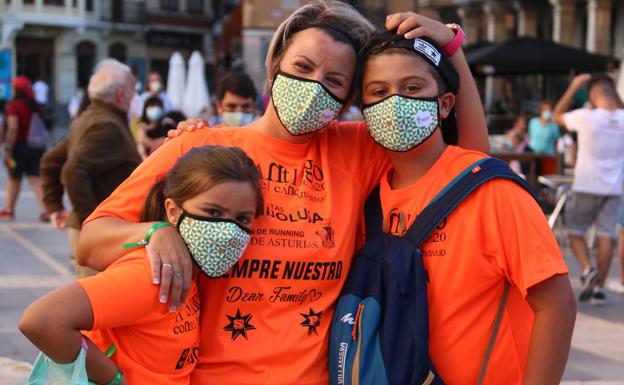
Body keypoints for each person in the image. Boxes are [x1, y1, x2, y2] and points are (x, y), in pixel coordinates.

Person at [76, 3, 489, 383]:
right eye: (303, 67)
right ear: (274, 68)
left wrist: (452, 50)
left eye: (334, 81)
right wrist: (154, 233)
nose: (313, 86)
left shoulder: (356, 148)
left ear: (347, 101)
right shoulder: (198, 146)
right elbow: (92, 242)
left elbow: (470, 164)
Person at [357, 26, 575, 385]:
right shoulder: (371, 201)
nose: (395, 103)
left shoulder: (491, 191)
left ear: (444, 104)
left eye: (412, 88)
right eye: (378, 92)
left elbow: (557, 306)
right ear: (364, 111)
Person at [20, 145, 262, 385]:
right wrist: (113, 380)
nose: (228, 232)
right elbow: (42, 320)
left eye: (242, 219)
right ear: (172, 211)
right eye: (214, 213)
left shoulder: (187, 273)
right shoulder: (149, 274)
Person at [40, 59, 142, 278]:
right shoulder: (107, 125)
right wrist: (92, 222)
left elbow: (51, 161)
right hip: (100, 236)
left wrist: (54, 205)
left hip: (95, 233)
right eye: (134, 89)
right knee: (98, 307)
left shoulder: (88, 117)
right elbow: (73, 170)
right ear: (121, 95)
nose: (137, 95)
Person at [553, 73, 624, 306]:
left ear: (592, 96)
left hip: (586, 185)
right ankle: (599, 290)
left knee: (575, 232)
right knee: (606, 237)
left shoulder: (586, 117)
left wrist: (573, 87)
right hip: (613, 190)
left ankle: (587, 268)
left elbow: (556, 116)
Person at [0, 76, 48, 221]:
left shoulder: (14, 105)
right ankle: (45, 210)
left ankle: (9, 209)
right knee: (35, 179)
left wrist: (8, 148)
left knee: (14, 178)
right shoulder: (35, 105)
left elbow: (13, 127)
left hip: (19, 148)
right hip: (37, 147)